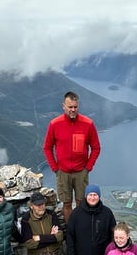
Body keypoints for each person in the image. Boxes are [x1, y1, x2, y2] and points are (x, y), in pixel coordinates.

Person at [43, 91, 101, 222]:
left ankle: (81, 231)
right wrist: (55, 168)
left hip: (81, 171)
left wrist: (88, 167)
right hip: (62, 172)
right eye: (70, 107)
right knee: (67, 204)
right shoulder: (55, 124)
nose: (73, 110)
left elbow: (96, 147)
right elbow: (47, 147)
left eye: (75, 107)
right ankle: (70, 231)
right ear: (63, 106)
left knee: (82, 203)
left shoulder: (88, 124)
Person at [19, 191, 67, 255]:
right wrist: (51, 238)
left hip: (55, 252)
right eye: (38, 205)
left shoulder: (51, 214)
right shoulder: (26, 220)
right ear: (31, 206)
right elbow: (29, 244)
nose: (41, 207)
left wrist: (39, 238)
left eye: (43, 204)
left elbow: (59, 236)